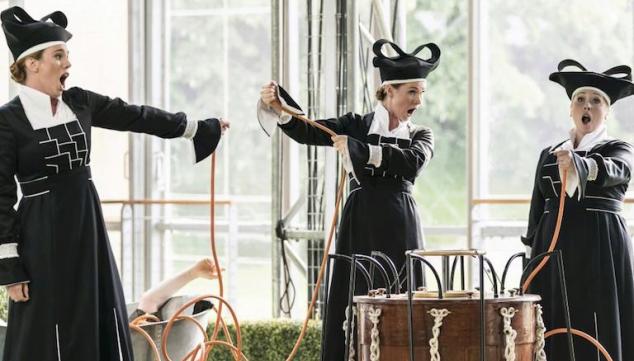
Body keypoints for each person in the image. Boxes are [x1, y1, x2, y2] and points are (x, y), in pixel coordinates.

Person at [0, 6, 228, 361]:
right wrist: (12, 270)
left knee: (94, 310)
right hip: (40, 233)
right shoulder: (7, 120)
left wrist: (195, 128)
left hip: (85, 222)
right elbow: (0, 198)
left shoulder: (79, 101)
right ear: (32, 63)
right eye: (58, 56)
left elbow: (135, 115)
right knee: (45, 324)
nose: (67, 64)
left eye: (67, 56)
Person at [258, 39, 439, 360]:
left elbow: (412, 163)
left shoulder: (420, 135)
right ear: (389, 91)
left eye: (421, 93)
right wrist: (280, 107)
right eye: (412, 92)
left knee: (404, 297)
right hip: (361, 220)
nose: (419, 101)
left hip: (402, 222)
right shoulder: (356, 124)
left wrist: (361, 151)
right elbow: (310, 131)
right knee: (354, 292)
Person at [523, 59, 634, 361]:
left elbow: (619, 170)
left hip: (600, 248)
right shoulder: (550, 153)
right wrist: (532, 252)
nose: (588, 106)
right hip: (553, 248)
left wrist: (579, 165)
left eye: (596, 101)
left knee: (595, 318)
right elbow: (537, 205)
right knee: (554, 320)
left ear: (606, 111)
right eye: (581, 100)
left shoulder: (618, 148)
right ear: (571, 108)